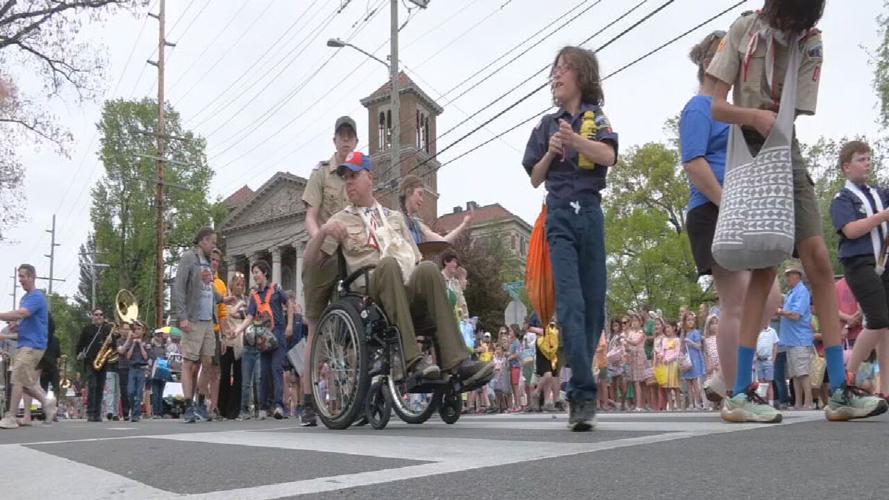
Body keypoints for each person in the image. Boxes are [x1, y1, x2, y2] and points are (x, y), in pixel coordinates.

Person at [707, 0, 885, 422]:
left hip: (786, 147)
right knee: (765, 266)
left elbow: (794, 107)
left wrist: (773, 119)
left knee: (819, 260)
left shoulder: (810, 41)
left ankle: (839, 390)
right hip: (749, 148)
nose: (795, 24)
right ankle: (740, 392)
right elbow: (713, 104)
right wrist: (752, 114)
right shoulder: (743, 29)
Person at [303, 151, 493, 397]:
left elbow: (415, 258)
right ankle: (412, 361)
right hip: (371, 295)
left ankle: (458, 364)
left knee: (427, 268)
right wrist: (323, 231)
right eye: (345, 178)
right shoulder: (341, 220)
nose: (348, 182)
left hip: (404, 287)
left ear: (369, 178)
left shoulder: (394, 218)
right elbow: (310, 262)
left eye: (354, 176)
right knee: (389, 264)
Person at [681, 30, 782, 413]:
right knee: (735, 301)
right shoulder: (699, 107)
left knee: (771, 296)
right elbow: (694, 163)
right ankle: (737, 392)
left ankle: (724, 376)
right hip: (711, 211)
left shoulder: (731, 110)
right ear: (711, 63)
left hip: (740, 210)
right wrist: (726, 203)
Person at [521, 45, 618, 431]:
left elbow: (608, 156)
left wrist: (577, 142)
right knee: (571, 305)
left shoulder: (596, 117)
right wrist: (551, 152)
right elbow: (534, 177)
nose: (556, 75)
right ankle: (581, 394)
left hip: (590, 213)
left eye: (564, 68)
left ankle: (581, 383)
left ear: (582, 75)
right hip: (559, 216)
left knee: (594, 304)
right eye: (555, 69)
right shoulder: (547, 125)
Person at [300, 116, 358, 427]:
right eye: (341, 136)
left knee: (356, 326)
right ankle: (308, 401)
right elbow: (310, 216)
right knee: (315, 327)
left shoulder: (358, 175)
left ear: (356, 142)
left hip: (351, 257)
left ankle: (352, 396)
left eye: (350, 136)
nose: (346, 141)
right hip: (323, 254)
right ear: (334, 140)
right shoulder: (321, 173)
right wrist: (320, 236)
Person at [828, 140, 889, 415]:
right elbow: (851, 230)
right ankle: (846, 382)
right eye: (861, 159)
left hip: (883, 261)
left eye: (869, 159)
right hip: (859, 262)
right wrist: (882, 216)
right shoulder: (843, 198)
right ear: (846, 167)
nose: (867, 163)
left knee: (886, 326)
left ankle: (885, 388)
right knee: (878, 319)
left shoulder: (878, 193)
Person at [171, 227, 222, 423]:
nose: (214, 246)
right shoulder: (189, 258)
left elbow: (208, 287)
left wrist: (223, 299)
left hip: (208, 320)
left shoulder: (208, 262)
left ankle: (200, 402)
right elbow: (179, 288)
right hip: (193, 318)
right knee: (189, 363)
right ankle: (187, 405)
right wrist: (182, 316)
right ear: (203, 241)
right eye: (212, 242)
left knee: (208, 362)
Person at [233, 260, 292, 420]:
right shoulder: (254, 296)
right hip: (263, 337)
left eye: (257, 272)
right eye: (253, 273)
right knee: (264, 373)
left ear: (265, 272)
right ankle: (264, 407)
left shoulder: (276, 289)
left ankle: (278, 405)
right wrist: (238, 330)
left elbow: (289, 304)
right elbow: (250, 316)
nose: (255, 276)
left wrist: (289, 325)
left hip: (278, 334)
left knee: (276, 369)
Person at [0, 264, 57, 428]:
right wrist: (16, 327)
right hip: (24, 343)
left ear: (32, 277)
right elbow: (25, 320)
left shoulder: (36, 297)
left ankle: (11, 417)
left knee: (17, 378)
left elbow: (22, 313)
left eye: (23, 276)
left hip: (33, 345)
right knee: (25, 383)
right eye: (19, 276)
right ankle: (47, 402)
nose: (20, 280)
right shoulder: (25, 298)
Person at [777, 265, 815, 410]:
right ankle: (798, 402)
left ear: (798, 276)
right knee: (794, 374)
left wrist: (780, 312)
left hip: (800, 339)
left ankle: (808, 402)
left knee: (803, 373)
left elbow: (796, 315)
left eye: (790, 274)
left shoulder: (802, 292)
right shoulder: (791, 292)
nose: (787, 278)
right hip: (790, 340)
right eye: (786, 275)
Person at [398, 174, 473, 245]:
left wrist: (464, 224)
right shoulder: (395, 219)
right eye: (419, 194)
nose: (422, 200)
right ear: (408, 192)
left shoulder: (418, 225)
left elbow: (442, 242)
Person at [76, 307, 112, 422]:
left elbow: (113, 347)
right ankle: (90, 412)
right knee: (92, 385)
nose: (99, 317)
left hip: (103, 362)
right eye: (96, 315)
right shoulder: (87, 329)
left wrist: (111, 341)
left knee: (100, 387)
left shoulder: (107, 329)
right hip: (90, 361)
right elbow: (80, 344)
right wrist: (79, 354)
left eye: (101, 315)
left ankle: (97, 413)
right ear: (92, 316)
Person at [118, 322, 149, 422]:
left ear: (143, 331)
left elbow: (146, 357)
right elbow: (128, 356)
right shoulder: (131, 342)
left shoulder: (146, 343)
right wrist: (133, 344)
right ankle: (132, 409)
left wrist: (140, 345)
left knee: (139, 392)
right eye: (135, 329)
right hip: (132, 368)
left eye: (139, 329)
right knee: (130, 392)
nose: (137, 331)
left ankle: (136, 414)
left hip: (141, 369)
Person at [755, 324, 780, 408]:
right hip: (759, 360)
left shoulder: (772, 331)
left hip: (768, 360)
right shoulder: (757, 331)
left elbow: (775, 345)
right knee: (761, 382)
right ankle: (763, 402)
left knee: (769, 382)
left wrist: (773, 359)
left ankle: (771, 403)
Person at [147, 330, 168, 419]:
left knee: (161, 392)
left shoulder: (164, 347)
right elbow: (149, 357)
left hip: (163, 370)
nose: (159, 337)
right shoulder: (151, 347)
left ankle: (160, 412)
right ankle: (155, 412)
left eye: (160, 336)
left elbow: (167, 358)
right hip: (154, 371)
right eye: (157, 336)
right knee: (155, 392)